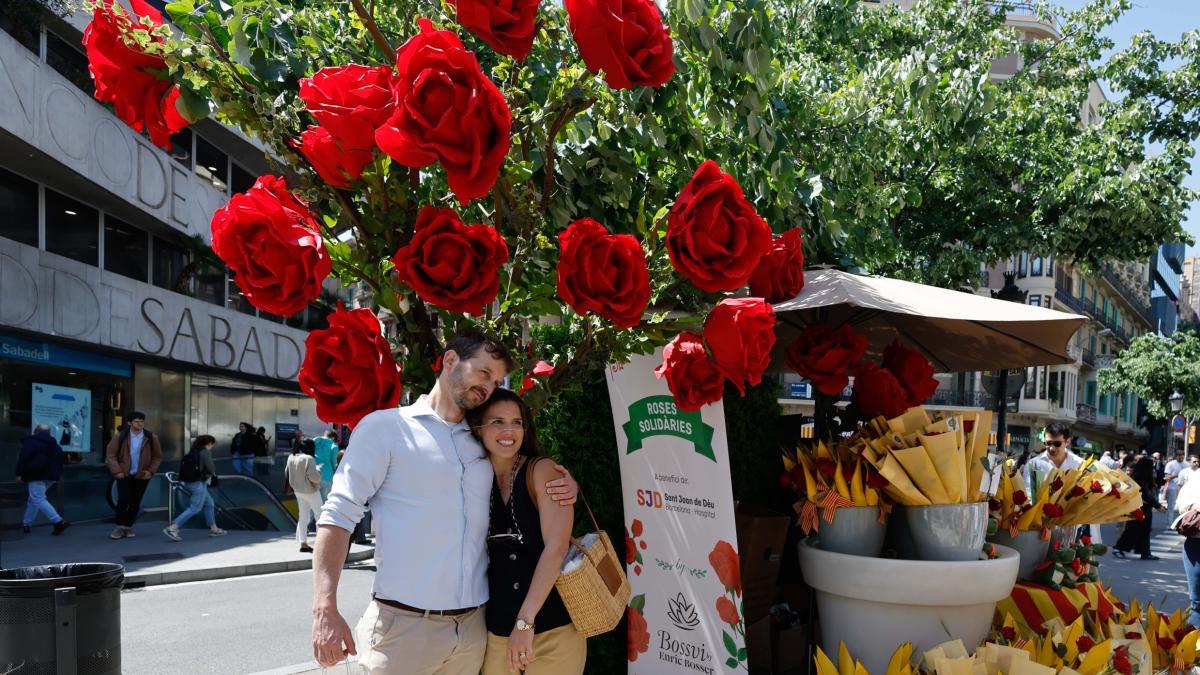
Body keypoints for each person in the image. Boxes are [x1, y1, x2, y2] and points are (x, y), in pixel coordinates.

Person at [311, 329, 579, 673]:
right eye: (483, 373)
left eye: (496, 381)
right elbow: (337, 517)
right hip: (403, 630)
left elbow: (525, 476)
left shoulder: (482, 440)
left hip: (473, 633)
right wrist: (324, 607)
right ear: (450, 360)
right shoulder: (386, 429)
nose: (488, 387)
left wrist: (566, 483)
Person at [468, 389, 584, 675]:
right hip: (496, 632)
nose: (509, 431)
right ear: (478, 428)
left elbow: (556, 548)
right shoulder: (472, 478)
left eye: (517, 422)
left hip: (552, 633)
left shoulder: (543, 471)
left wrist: (524, 623)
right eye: (497, 422)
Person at [105, 411, 162, 539]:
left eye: (142, 421)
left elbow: (157, 457)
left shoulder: (151, 437)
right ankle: (119, 526)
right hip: (124, 474)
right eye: (137, 421)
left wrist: (150, 471)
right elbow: (110, 455)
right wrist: (117, 471)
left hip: (142, 475)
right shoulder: (121, 436)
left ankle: (127, 526)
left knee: (135, 502)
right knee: (123, 500)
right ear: (129, 423)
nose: (140, 424)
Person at [163, 435, 227, 541]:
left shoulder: (192, 451)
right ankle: (173, 527)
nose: (212, 446)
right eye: (212, 444)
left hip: (188, 481)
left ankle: (213, 528)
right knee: (195, 508)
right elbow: (212, 468)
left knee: (209, 503)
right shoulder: (205, 452)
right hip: (198, 483)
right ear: (209, 443)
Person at [15, 424, 69, 535]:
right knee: (33, 499)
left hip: (36, 475)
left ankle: (58, 521)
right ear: (49, 433)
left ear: (35, 432)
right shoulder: (55, 445)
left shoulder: (31, 442)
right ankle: (26, 523)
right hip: (51, 477)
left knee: (38, 499)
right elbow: (60, 462)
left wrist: (19, 474)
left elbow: (24, 458)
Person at [1113, 456, 1167, 559]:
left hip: (1142, 507)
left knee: (1143, 530)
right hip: (1139, 507)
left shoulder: (1140, 476)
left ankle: (1144, 552)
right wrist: (1158, 506)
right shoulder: (1140, 477)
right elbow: (1146, 494)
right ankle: (1119, 548)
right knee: (1133, 530)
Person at [287, 438, 324, 553]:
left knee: (303, 517)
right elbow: (315, 478)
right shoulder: (309, 458)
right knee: (320, 515)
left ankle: (303, 543)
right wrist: (318, 469)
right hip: (310, 491)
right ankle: (320, 542)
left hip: (298, 491)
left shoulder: (291, 457)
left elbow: (287, 472)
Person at [1174, 471, 1200, 628]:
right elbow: (1182, 503)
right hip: (1197, 543)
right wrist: (1194, 506)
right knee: (1197, 604)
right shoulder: (1197, 476)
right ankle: (1190, 649)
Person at [1023, 423, 1084, 487]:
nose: (1052, 448)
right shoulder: (1033, 464)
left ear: (1067, 442)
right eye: (1048, 443)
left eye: (1057, 443)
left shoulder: (1079, 464)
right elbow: (1028, 491)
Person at [313, 430, 339, 502]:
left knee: (314, 502)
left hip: (313, 475)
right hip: (327, 476)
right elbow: (335, 464)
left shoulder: (314, 442)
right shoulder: (333, 446)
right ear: (333, 438)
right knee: (325, 502)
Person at [1165, 450, 1187, 519]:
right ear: (1175, 456)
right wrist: (1178, 475)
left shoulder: (1187, 464)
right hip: (1172, 488)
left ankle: (1181, 524)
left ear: (1184, 455)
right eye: (1178, 455)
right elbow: (1167, 477)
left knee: (1183, 507)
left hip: (1184, 488)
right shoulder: (1170, 464)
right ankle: (1169, 524)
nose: (1180, 456)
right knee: (1171, 507)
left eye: (1181, 455)